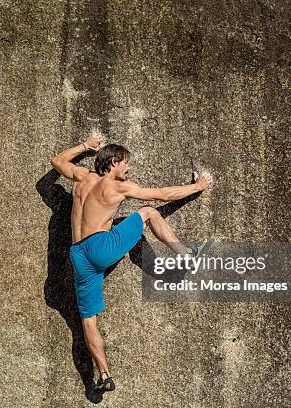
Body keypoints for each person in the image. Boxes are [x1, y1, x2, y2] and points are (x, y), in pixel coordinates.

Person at [50, 131, 213, 392]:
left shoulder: (82, 177)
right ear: (113, 162)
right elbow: (161, 195)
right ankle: (187, 256)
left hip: (78, 255)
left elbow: (57, 161)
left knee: (87, 321)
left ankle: (103, 375)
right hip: (100, 246)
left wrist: (85, 146)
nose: (128, 167)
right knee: (147, 212)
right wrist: (197, 186)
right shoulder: (117, 186)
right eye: (126, 162)